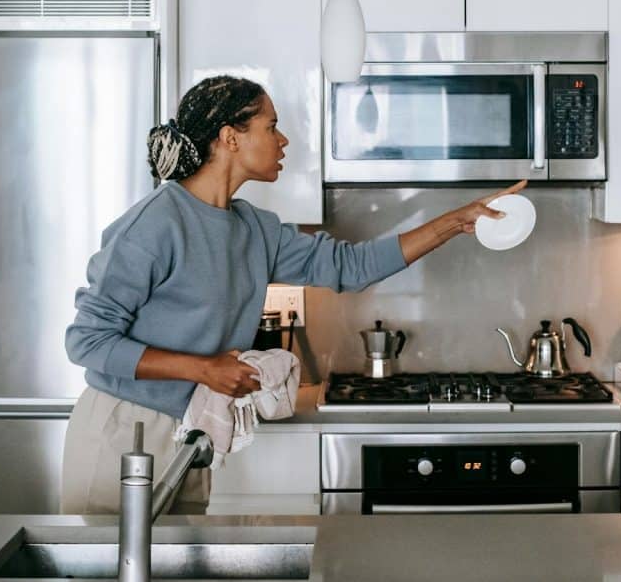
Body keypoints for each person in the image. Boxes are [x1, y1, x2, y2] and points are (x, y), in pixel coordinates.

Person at [61, 75, 525, 514]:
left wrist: (455, 222)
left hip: (192, 432)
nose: (283, 141)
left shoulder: (254, 229)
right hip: (125, 432)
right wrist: (204, 369)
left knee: (175, 563)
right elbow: (87, 341)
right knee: (111, 562)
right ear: (230, 137)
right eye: (272, 127)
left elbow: (351, 267)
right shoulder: (157, 223)